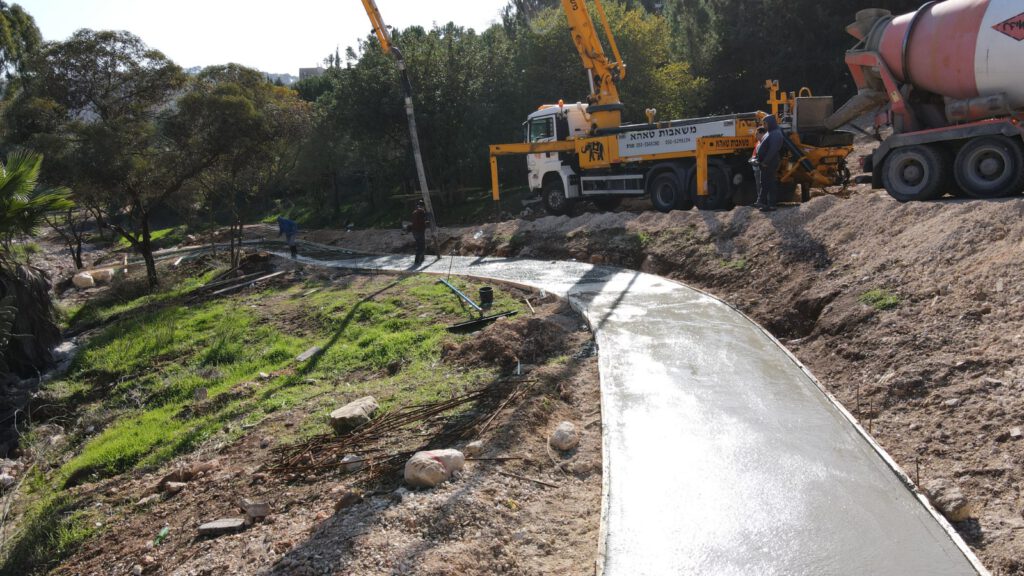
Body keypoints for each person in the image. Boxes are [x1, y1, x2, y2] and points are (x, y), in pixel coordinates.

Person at [755, 115, 784, 212]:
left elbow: (773, 150)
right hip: (767, 163)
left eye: (765, 123)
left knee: (767, 183)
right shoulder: (771, 133)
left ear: (770, 123)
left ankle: (766, 204)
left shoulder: (775, 134)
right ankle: (767, 204)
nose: (764, 126)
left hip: (769, 163)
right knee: (767, 183)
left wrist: (765, 162)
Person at [750, 127, 768, 209]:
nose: (755, 136)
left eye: (757, 134)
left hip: (762, 168)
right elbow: (755, 154)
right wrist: (753, 159)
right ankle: (759, 201)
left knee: (763, 185)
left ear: (762, 133)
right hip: (757, 168)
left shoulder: (765, 142)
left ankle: (763, 202)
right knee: (758, 185)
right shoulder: (758, 143)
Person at [411, 200, 427, 264]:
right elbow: (421, 221)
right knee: (421, 246)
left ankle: (421, 259)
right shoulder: (421, 211)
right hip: (419, 231)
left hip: (414, 231)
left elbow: (415, 221)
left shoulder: (414, 212)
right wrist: (426, 222)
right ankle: (417, 260)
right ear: (423, 206)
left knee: (419, 245)